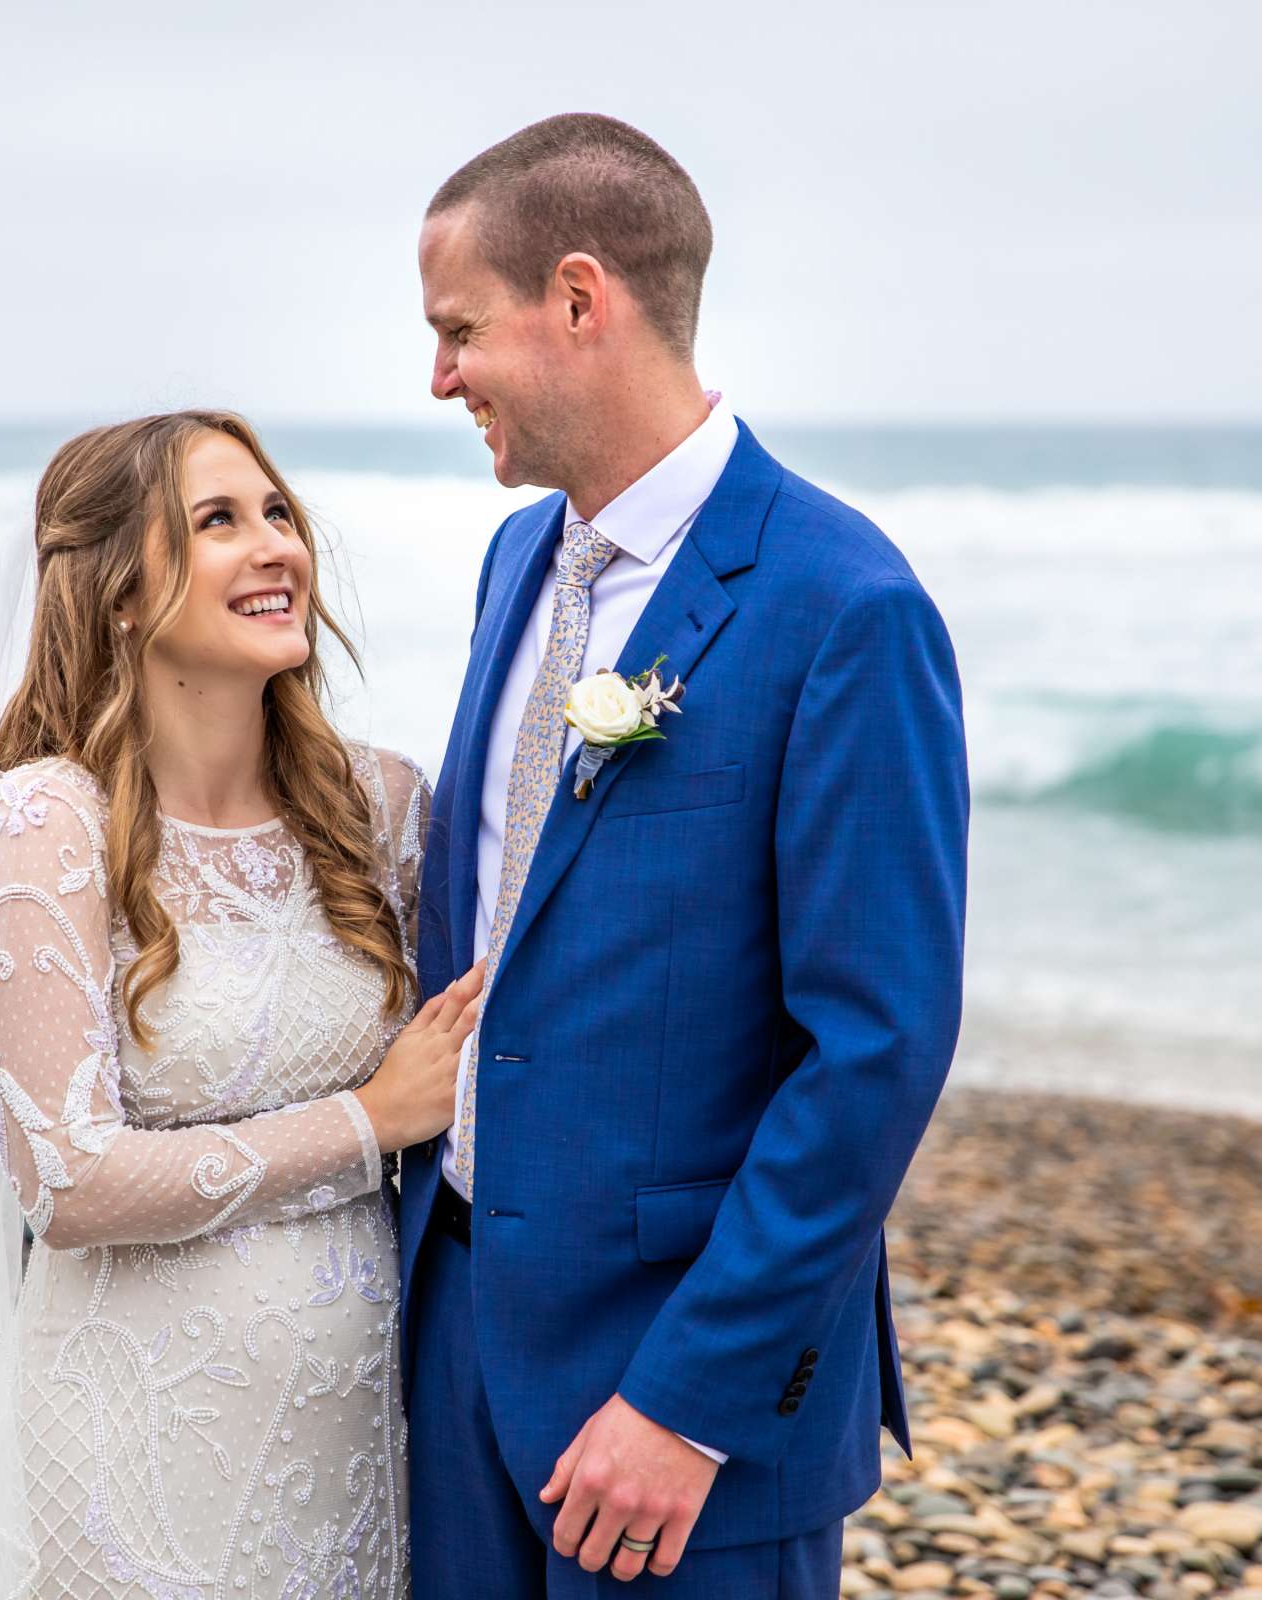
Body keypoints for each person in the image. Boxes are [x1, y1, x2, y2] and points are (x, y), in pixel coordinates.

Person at [402, 113, 970, 1597]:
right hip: (456, 1336)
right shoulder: (520, 559)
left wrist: (688, 1403)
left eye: (460, 329)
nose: (440, 376)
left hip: (672, 1405)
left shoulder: (845, 605)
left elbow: (876, 1050)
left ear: (581, 300)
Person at [0, 410, 482, 1599]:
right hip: (136, 1427)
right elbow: (65, 1182)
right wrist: (366, 1121)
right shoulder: (47, 821)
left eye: (278, 513)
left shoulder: (377, 807)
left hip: (357, 1412)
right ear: (120, 592)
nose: (273, 545)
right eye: (217, 521)